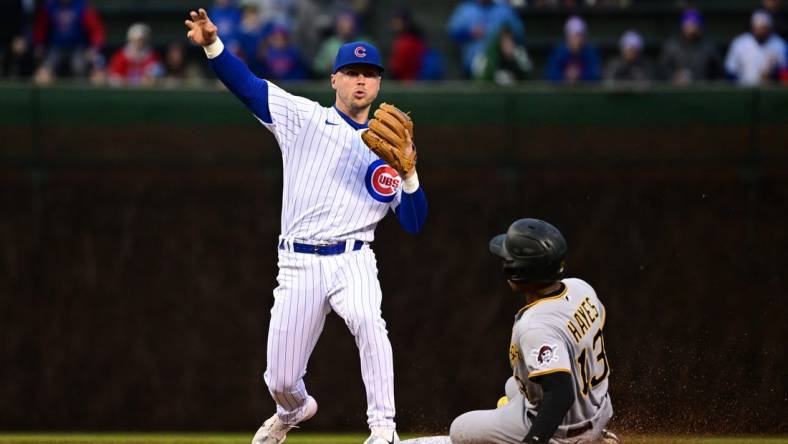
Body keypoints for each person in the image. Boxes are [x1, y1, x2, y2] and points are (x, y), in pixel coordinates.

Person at [184, 8, 427, 444]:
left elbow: (413, 222)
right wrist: (212, 46)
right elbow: (250, 89)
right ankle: (293, 410)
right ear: (334, 79)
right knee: (279, 377)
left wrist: (409, 176)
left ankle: (383, 430)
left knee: (371, 324)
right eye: (351, 72)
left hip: (354, 258)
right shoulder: (304, 119)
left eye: (369, 74)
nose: (360, 81)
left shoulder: (388, 149)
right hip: (298, 263)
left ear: (378, 83)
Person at [400, 219, 619, 444]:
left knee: (461, 428)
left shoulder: (535, 326)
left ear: (519, 270)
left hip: (565, 433)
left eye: (509, 258)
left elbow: (561, 394)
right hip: (598, 409)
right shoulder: (580, 287)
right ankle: (599, 436)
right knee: (513, 387)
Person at [32, 0, 105, 83]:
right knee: (45, 71)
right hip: (55, 48)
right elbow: (40, 28)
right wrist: (39, 44)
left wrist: (94, 48)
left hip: (78, 48)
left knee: (78, 66)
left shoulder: (83, 6)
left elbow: (96, 31)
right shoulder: (49, 5)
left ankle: (79, 91)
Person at [447, 0, 525, 76]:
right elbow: (453, 34)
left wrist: (505, 35)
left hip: (501, 64)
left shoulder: (504, 10)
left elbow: (519, 33)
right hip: (472, 64)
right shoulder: (466, 9)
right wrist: (470, 34)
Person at [659, 9, 722, 85]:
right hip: (676, 91)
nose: (691, 28)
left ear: (700, 27)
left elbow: (718, 73)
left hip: (702, 91)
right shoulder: (672, 45)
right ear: (682, 26)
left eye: (694, 24)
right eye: (688, 24)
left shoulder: (709, 46)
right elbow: (662, 71)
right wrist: (674, 76)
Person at [725, 9, 787, 86]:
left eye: (764, 28)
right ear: (753, 27)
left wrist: (774, 75)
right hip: (744, 89)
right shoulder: (740, 43)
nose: (761, 31)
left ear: (770, 28)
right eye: (758, 28)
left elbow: (784, 72)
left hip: (770, 89)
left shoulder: (779, 44)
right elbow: (730, 70)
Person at [389, 9, 443, 81]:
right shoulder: (417, 39)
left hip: (407, 84)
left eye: (397, 21)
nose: (394, 24)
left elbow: (396, 69)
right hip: (419, 84)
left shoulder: (406, 43)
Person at [312, 10, 371, 77]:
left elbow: (376, 65)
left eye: (347, 23)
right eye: (342, 23)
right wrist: (328, 65)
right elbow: (317, 66)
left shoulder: (365, 43)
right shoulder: (330, 44)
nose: (344, 26)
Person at [545, 16, 601, 83]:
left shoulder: (590, 51)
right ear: (567, 37)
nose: (578, 40)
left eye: (580, 35)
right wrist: (565, 76)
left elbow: (595, 73)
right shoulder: (559, 51)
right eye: (574, 36)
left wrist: (579, 75)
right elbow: (550, 73)